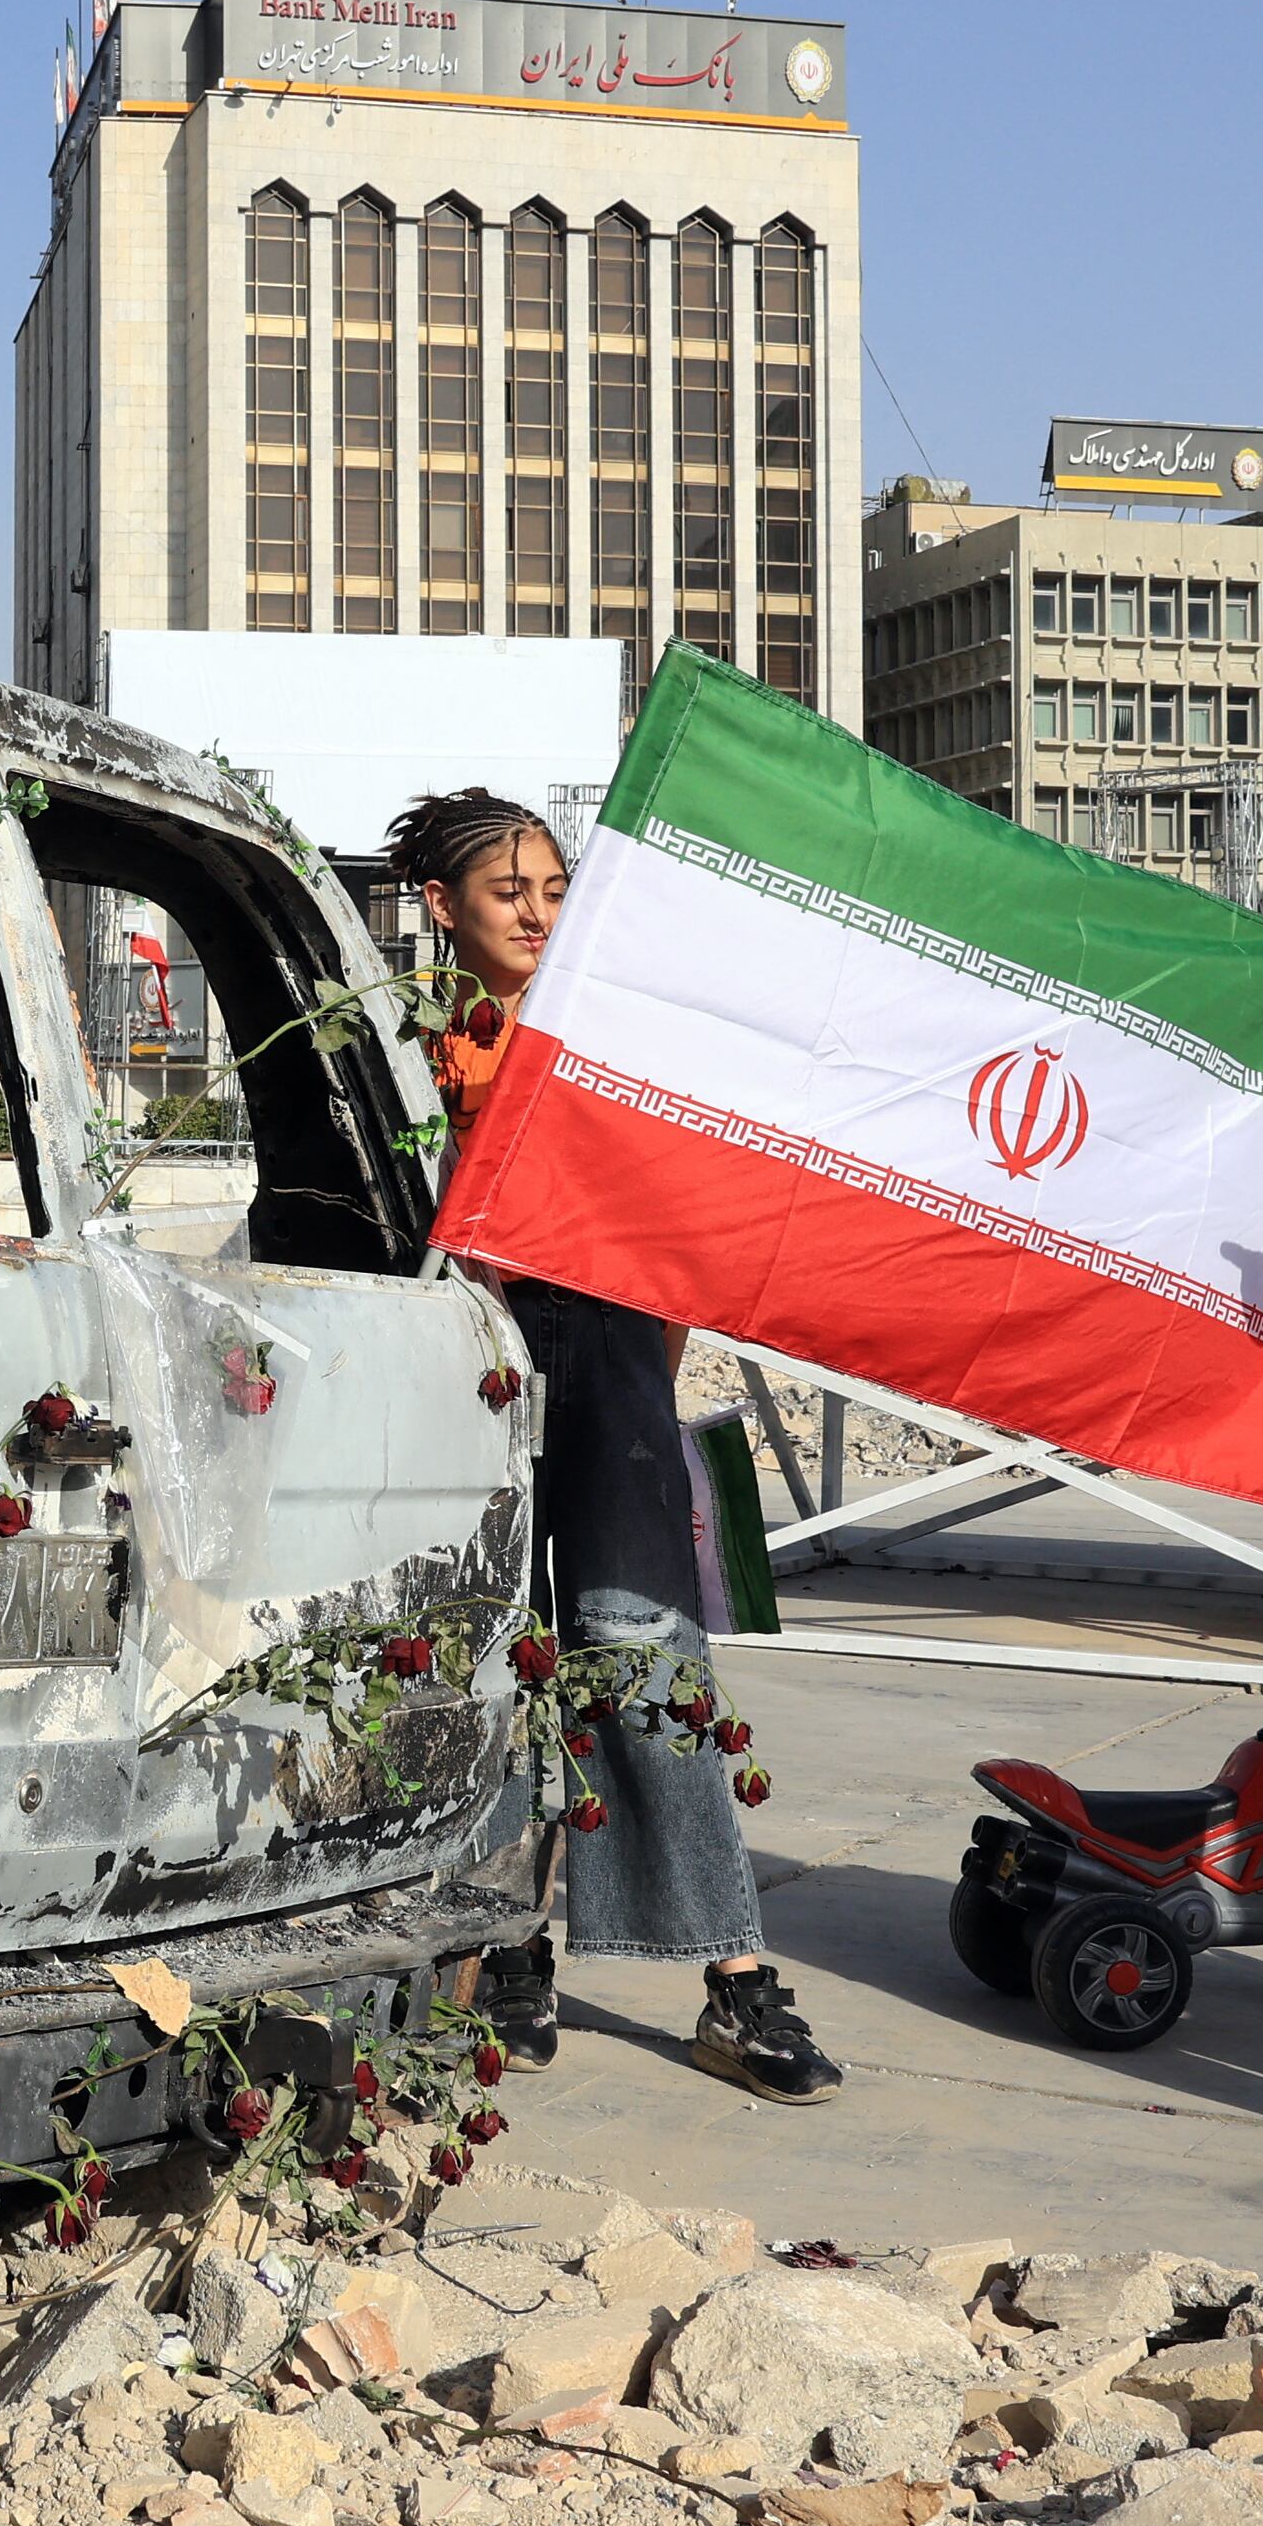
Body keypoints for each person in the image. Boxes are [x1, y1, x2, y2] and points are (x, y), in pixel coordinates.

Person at [391, 788, 840, 2105]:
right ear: (439, 909)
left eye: (551, 887)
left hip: (612, 1385)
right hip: (473, 1393)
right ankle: (512, 1955)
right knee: (497, 1677)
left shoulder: (613, 1041)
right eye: (505, 892)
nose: (535, 913)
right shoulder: (417, 1052)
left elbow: (686, 1219)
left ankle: (738, 1985)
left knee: (650, 1670)